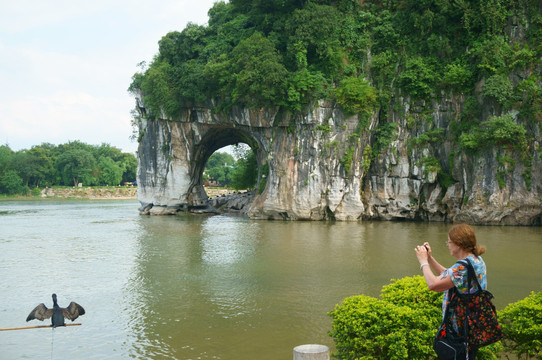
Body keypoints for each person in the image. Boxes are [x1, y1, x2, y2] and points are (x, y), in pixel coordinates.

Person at [414, 224, 487, 359]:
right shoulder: (475, 261)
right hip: (470, 328)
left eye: (449, 241)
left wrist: (423, 262)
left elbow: (433, 285)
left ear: (458, 244)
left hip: (459, 333)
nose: (447, 244)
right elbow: (449, 276)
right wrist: (430, 258)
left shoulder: (462, 267)